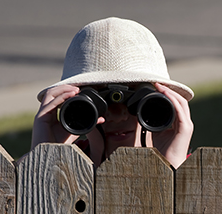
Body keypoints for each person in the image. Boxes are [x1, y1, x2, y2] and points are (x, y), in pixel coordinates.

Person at [31, 17, 194, 169]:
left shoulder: (200, 175)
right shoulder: (60, 166)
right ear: (70, 106)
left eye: (139, 101)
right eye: (98, 104)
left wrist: (172, 164)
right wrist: (43, 159)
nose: (118, 116)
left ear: (165, 104)